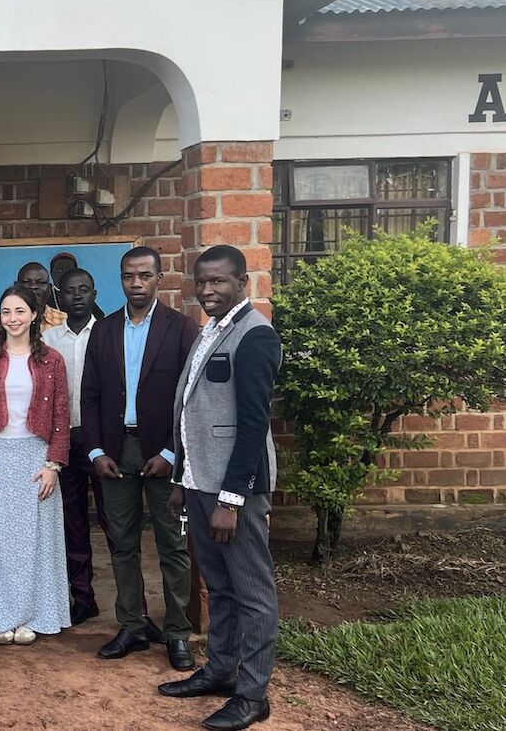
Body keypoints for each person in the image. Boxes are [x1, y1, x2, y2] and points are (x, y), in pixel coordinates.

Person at [160, 246, 281, 731]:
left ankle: (252, 695)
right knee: (220, 586)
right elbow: (192, 413)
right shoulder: (211, 329)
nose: (208, 290)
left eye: (219, 281)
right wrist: (180, 479)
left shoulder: (255, 335)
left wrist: (231, 499)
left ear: (242, 283)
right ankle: (220, 671)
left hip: (235, 489)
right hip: (199, 481)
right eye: (202, 281)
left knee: (252, 591)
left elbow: (252, 426)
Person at [82, 247, 199, 671]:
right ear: (121, 279)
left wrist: (171, 451)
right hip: (116, 452)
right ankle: (131, 625)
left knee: (172, 546)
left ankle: (177, 633)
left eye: (145, 275)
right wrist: (95, 450)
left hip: (163, 453)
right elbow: (90, 395)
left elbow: (190, 398)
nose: (136, 283)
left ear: (159, 279)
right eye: (129, 276)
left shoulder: (181, 328)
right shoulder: (104, 330)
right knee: (122, 544)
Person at [0, 286, 71, 645]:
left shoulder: (52, 360)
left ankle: (31, 616)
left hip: (36, 457)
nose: (12, 319)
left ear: (34, 315)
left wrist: (53, 463)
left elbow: (60, 414)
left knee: (34, 543)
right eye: (6, 312)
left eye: (20, 311)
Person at [43, 268, 111, 627]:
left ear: (94, 294)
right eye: (70, 291)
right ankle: (83, 597)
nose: (78, 296)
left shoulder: (109, 333)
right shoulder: (49, 339)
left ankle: (134, 606)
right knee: (72, 524)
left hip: (102, 442)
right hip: (63, 440)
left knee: (114, 522)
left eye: (84, 290)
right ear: (60, 296)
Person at [0, 262, 67, 341]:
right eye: (26, 282)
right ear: (16, 286)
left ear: (49, 288)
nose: (33, 287)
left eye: (41, 283)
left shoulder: (63, 321)